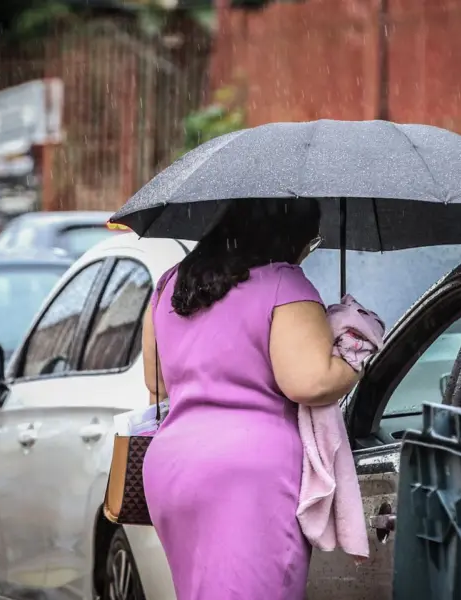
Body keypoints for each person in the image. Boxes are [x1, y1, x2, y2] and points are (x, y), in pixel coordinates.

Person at [140, 198, 361, 600]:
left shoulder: (171, 282)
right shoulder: (283, 283)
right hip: (247, 477)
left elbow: (155, 384)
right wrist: (357, 349)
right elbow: (309, 382)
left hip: (172, 467)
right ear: (291, 237)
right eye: (311, 241)